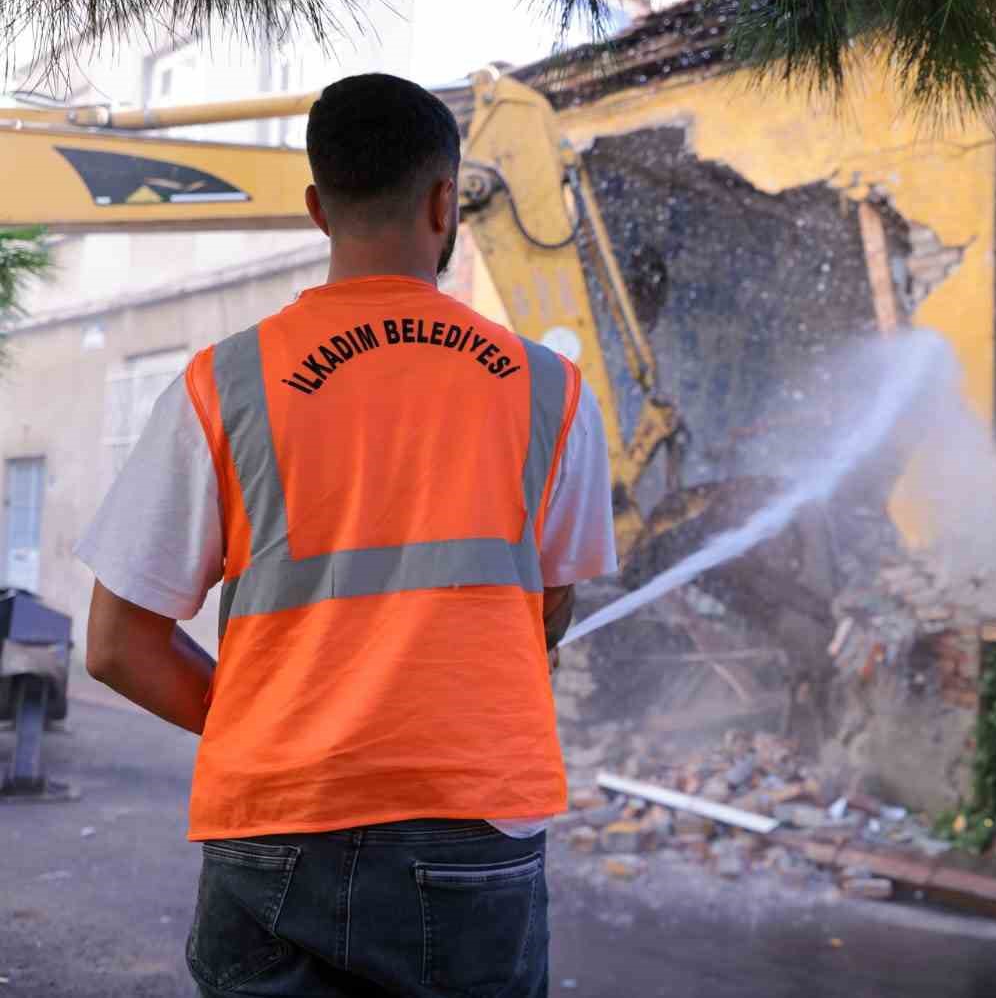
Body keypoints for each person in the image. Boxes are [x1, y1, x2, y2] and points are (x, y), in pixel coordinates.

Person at [75, 73, 616, 998]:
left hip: (277, 822)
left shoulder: (222, 384)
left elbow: (117, 645)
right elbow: (549, 605)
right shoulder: (551, 392)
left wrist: (265, 724)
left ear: (319, 209)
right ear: (446, 201)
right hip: (473, 829)